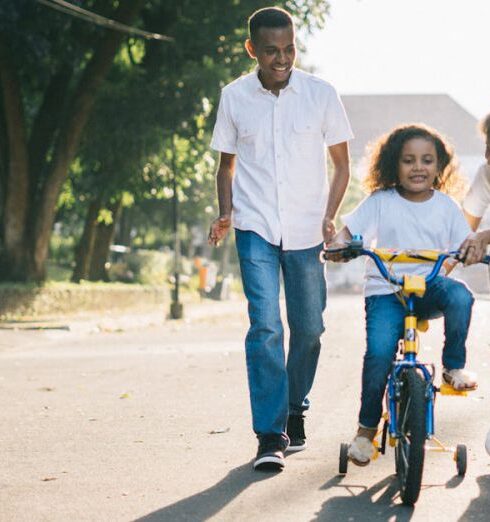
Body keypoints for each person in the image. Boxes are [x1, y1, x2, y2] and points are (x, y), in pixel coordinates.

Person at [208, 6, 353, 471]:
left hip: (308, 230)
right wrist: (226, 213)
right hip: (254, 227)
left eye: (289, 48)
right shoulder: (234, 97)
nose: (282, 58)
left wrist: (330, 216)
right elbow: (225, 165)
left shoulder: (321, 94)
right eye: (271, 50)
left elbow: (342, 164)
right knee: (266, 326)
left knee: (309, 329)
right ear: (252, 49)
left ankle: (295, 408)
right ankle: (270, 434)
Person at [325, 124, 477, 466]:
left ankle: (454, 366)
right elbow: (348, 234)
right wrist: (339, 246)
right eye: (408, 160)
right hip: (386, 290)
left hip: (428, 288)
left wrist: (469, 252)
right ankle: (365, 431)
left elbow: (463, 244)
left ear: (439, 167)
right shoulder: (380, 202)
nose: (418, 167)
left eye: (427, 160)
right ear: (394, 164)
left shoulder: (447, 207)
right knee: (379, 354)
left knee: (461, 297)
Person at [459, 114, 490, 264]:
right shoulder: (487, 172)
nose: (487, 157)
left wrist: (485, 236)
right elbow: (465, 231)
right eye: (487, 147)